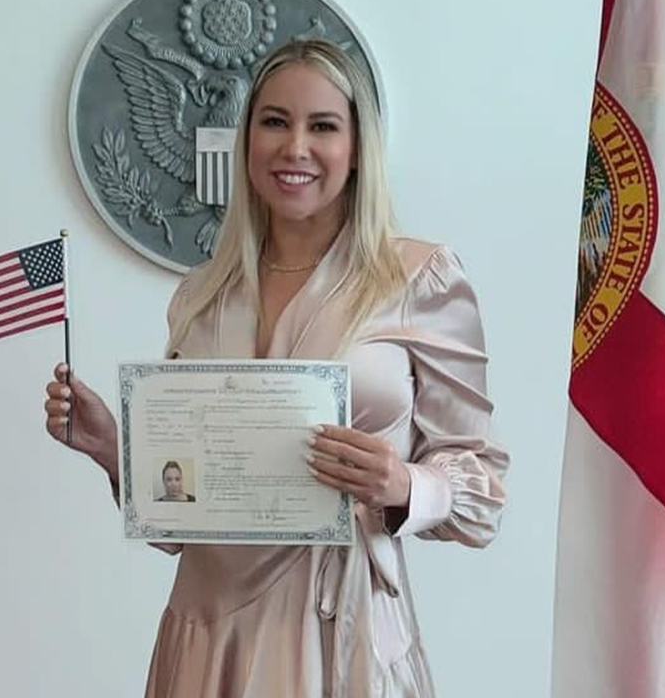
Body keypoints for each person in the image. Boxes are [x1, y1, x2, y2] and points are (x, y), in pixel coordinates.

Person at [43, 39, 510, 697]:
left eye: (323, 126)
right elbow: (181, 521)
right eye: (274, 122)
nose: (295, 147)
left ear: (357, 147)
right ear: (246, 141)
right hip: (210, 637)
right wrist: (114, 451)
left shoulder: (418, 278)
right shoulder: (202, 295)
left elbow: (483, 495)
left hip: (344, 638)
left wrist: (404, 483)